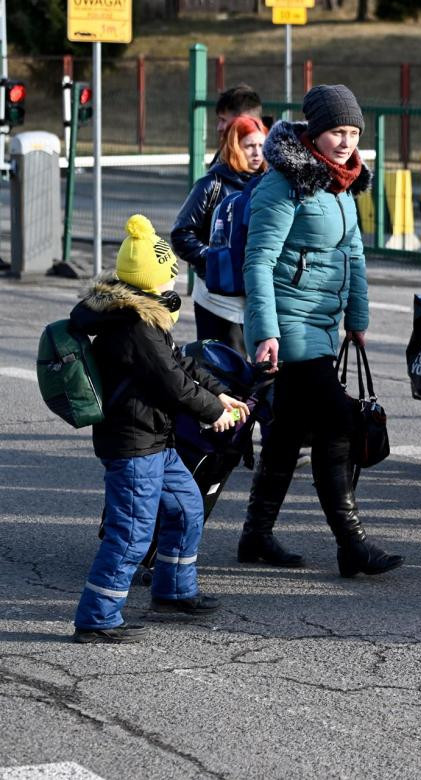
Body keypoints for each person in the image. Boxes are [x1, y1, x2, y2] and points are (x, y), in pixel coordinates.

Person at [240, 84, 404, 577]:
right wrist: (264, 331)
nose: (346, 141)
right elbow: (259, 261)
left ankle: (255, 535)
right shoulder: (283, 183)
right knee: (337, 422)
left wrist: (357, 319)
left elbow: (352, 253)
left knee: (288, 432)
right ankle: (352, 545)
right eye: (337, 131)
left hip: (325, 325)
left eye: (353, 132)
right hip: (290, 325)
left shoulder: (343, 184)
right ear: (315, 130)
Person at [70, 215, 249, 644]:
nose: (175, 275)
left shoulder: (143, 315)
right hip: (134, 444)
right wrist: (212, 413)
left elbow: (181, 365)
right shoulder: (132, 326)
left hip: (155, 438)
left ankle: (172, 592)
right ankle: (96, 617)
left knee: (186, 507)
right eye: (170, 270)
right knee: (130, 533)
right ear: (152, 276)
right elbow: (171, 384)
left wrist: (219, 394)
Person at [171, 115, 268, 355]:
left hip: (255, 298)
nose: (257, 153)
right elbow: (181, 234)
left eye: (261, 146)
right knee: (223, 373)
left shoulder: (269, 184)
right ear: (235, 147)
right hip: (217, 301)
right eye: (249, 146)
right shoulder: (211, 183)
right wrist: (215, 260)